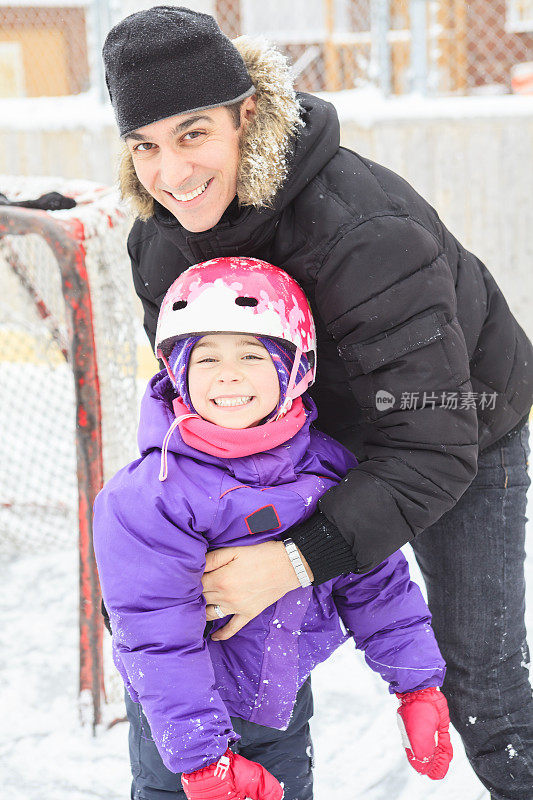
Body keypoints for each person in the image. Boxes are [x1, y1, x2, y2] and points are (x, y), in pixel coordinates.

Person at [102, 7, 533, 799]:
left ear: (248, 115)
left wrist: (299, 557)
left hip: (450, 417)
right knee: (240, 633)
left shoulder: (365, 233)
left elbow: (433, 447)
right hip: (302, 434)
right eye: (146, 145)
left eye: (192, 133)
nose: (170, 171)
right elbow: (190, 411)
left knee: (482, 689)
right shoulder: (160, 243)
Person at [93, 258, 453, 800]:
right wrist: (200, 760)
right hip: (179, 723)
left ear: (296, 371)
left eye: (252, 355)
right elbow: (154, 635)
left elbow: (375, 581)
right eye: (206, 358)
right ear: (178, 374)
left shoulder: (326, 469)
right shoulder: (151, 495)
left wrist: (418, 685)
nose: (227, 374)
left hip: (282, 704)